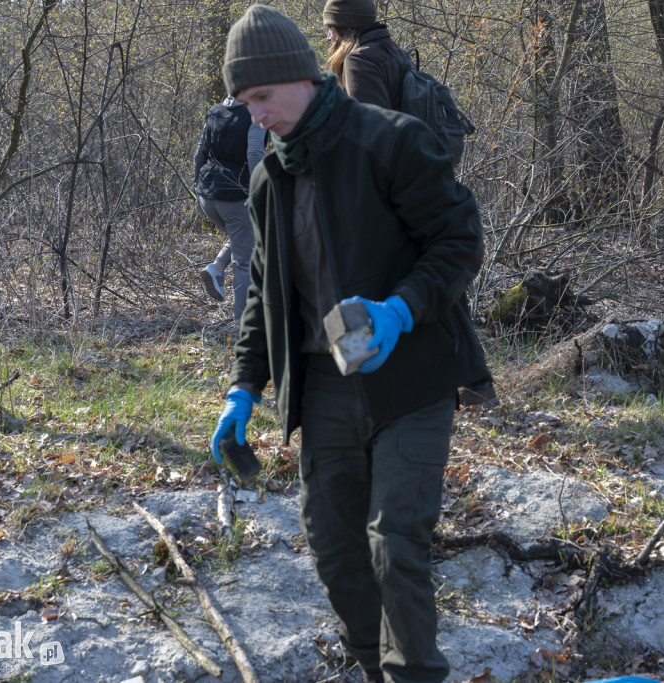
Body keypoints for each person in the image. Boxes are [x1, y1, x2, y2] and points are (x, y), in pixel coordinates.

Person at [209, 5, 491, 682]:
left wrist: (400, 309)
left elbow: (458, 241)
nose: (254, 117)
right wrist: (243, 387)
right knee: (336, 550)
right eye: (243, 104)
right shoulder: (266, 180)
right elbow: (264, 296)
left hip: (413, 374)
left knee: (395, 543)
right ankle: (375, 666)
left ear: (300, 78)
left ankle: (411, 674)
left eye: (261, 98)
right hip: (325, 383)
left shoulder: (390, 141)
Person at [323, 0, 498, 407]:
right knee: (434, 285)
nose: (327, 36)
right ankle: (474, 384)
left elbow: (374, 134)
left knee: (382, 282)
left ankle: (371, 384)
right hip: (420, 182)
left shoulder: (360, 61)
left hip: (392, 192)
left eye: (330, 28)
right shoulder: (392, 52)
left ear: (344, 27)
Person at [193, 96, 266, 320]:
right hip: (236, 195)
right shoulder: (256, 111)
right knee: (244, 262)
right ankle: (241, 325)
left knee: (245, 234)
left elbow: (199, 154)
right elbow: (254, 153)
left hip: (208, 194)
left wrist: (198, 191)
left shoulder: (214, 111)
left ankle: (216, 268)